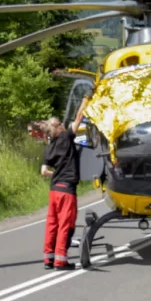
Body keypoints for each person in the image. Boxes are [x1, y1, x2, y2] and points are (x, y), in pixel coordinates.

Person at [40, 95, 89, 271]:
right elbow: (78, 118)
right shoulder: (67, 137)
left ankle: (49, 258)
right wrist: (85, 101)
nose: (63, 124)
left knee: (52, 223)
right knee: (65, 225)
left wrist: (58, 174)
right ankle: (61, 260)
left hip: (54, 190)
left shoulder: (49, 148)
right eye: (61, 123)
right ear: (57, 127)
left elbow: (44, 172)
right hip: (67, 189)